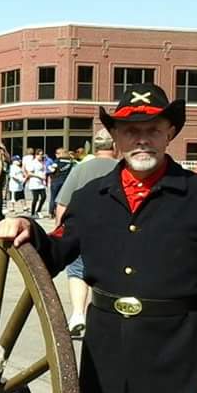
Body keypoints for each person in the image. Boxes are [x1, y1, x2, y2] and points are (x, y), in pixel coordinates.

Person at [0, 83, 197, 393]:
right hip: (105, 363)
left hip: (179, 365)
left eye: (152, 129)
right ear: (115, 136)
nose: (142, 139)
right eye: (131, 130)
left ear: (170, 133)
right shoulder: (92, 197)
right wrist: (27, 228)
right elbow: (57, 249)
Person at [55, 129, 118, 337]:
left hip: (82, 229)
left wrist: (60, 230)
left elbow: (63, 204)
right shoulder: (122, 168)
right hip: (116, 232)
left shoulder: (80, 169)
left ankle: (77, 314)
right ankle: (99, 315)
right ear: (115, 146)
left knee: (77, 270)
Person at [48, 147, 74, 217]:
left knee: (53, 197)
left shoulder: (57, 160)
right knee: (62, 198)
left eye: (56, 153)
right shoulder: (70, 161)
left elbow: (52, 170)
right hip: (65, 181)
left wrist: (48, 168)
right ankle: (61, 212)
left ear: (59, 154)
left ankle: (51, 212)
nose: (56, 155)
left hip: (56, 181)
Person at [25, 151, 47, 217]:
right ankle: (32, 213)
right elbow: (29, 173)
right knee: (35, 198)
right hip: (34, 183)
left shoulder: (42, 163)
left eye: (42, 155)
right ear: (36, 155)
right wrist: (39, 176)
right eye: (40, 155)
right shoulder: (33, 163)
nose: (41, 156)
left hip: (41, 183)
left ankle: (38, 210)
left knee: (44, 197)